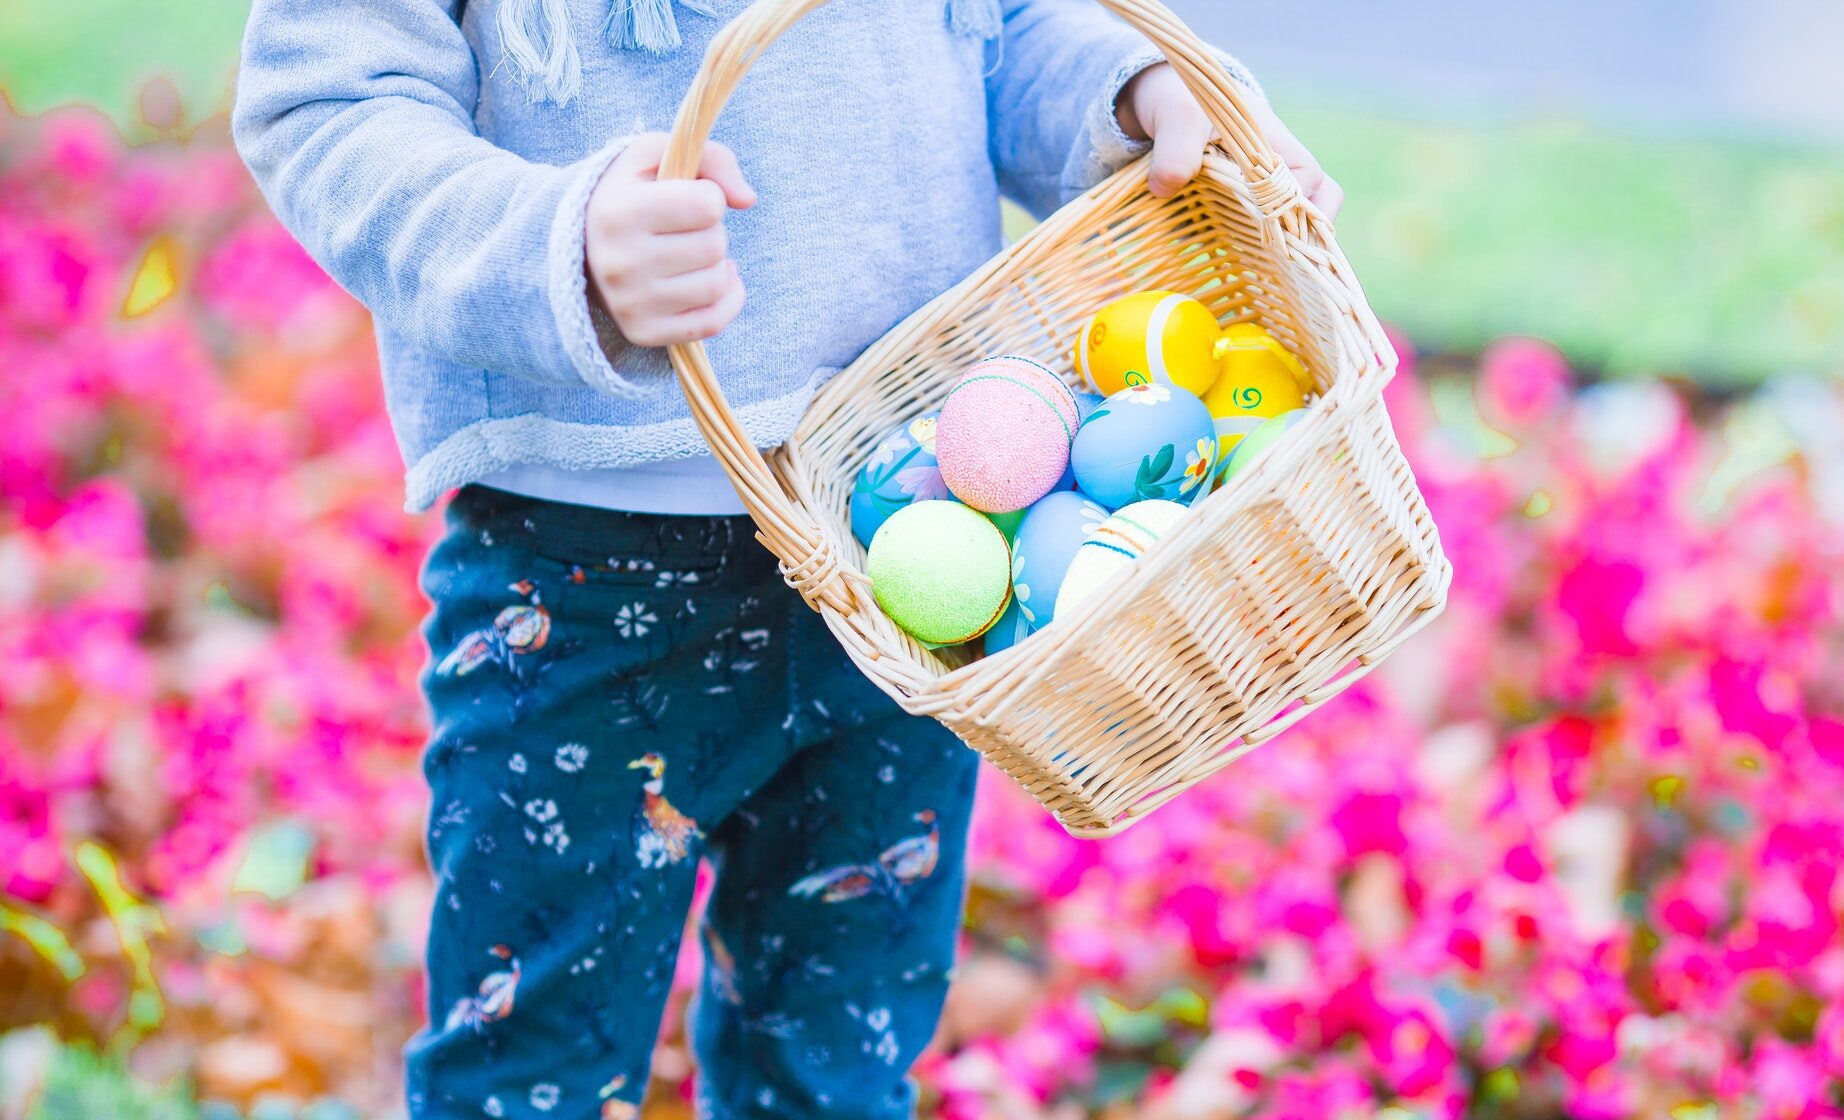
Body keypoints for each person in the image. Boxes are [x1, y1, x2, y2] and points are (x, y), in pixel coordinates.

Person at [232, 1, 1338, 1115]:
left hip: (906, 547)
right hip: (578, 578)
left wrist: (1137, 89)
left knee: (833, 1079)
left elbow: (1001, 25)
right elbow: (327, 96)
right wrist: (555, 240)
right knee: (528, 1079)